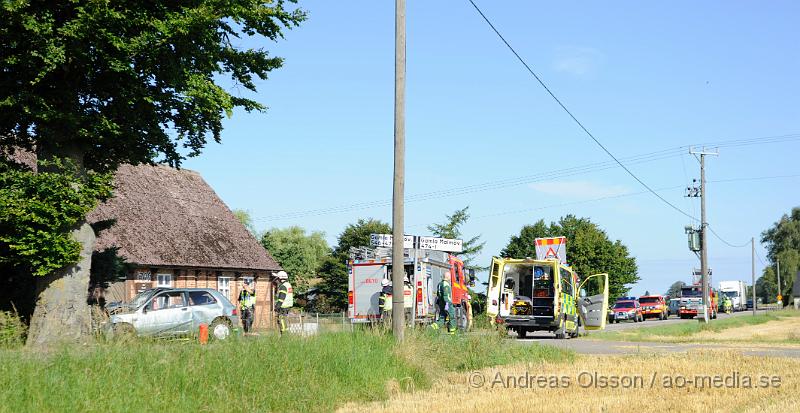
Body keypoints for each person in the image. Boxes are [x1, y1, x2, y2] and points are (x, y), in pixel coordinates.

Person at [273, 271, 293, 335]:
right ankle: (285, 334)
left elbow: (281, 299)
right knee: (285, 321)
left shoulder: (283, 286)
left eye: (277, 278)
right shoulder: (288, 284)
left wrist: (276, 307)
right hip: (287, 307)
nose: (277, 280)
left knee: (282, 322)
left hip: (283, 307)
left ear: (280, 278)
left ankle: (284, 335)